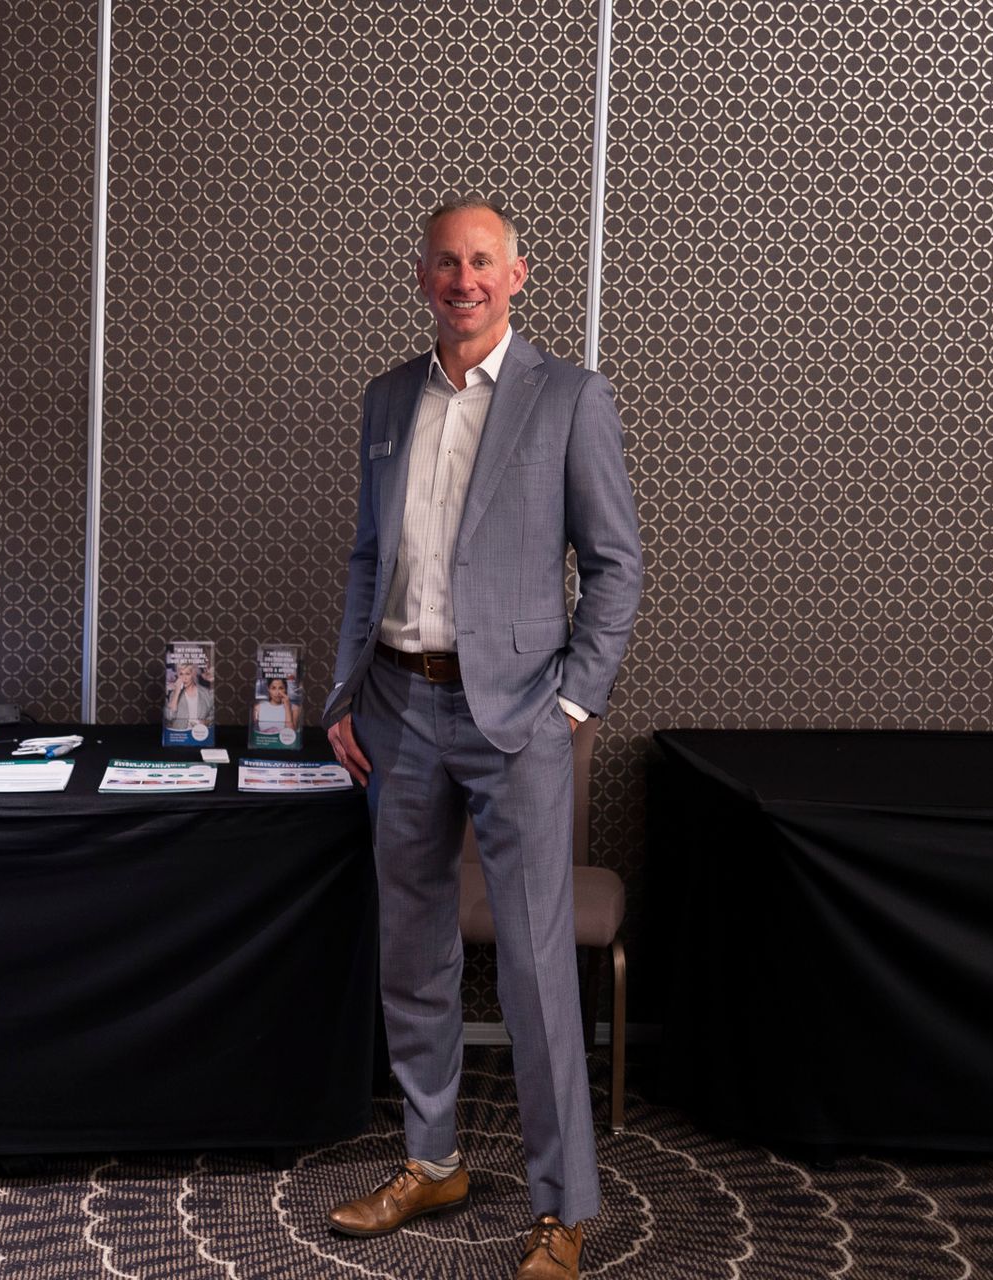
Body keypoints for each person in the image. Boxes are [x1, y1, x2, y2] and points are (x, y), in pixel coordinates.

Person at [322, 198, 642, 1280]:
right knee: (412, 949)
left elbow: (615, 565)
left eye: (483, 262)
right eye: (446, 262)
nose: (463, 278)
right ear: (422, 277)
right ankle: (432, 1158)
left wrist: (570, 704)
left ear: (518, 276)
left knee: (539, 972)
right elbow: (369, 560)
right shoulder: (384, 399)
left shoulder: (570, 398)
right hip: (398, 709)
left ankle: (565, 1209)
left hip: (517, 719)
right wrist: (340, 695)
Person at [165, 661, 213, 730]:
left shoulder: (205, 692)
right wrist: (176, 693)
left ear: (193, 674)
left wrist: (206, 722)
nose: (184, 678)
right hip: (181, 735)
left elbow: (212, 714)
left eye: (187, 674)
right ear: (178, 676)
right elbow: (170, 717)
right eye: (181, 674)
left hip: (200, 734)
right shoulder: (174, 694)